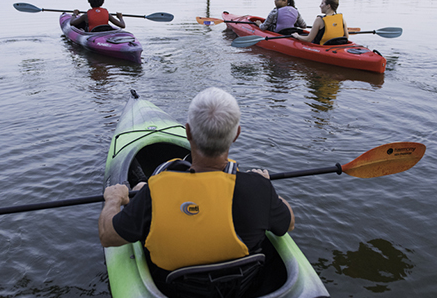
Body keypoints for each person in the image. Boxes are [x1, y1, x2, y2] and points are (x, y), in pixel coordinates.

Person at [99, 87, 295, 281]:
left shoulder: (154, 193)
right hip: (239, 288)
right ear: (236, 134)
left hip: (175, 294)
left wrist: (114, 199)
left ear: (188, 132)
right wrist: (265, 186)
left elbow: (108, 236)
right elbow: (289, 223)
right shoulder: (258, 189)